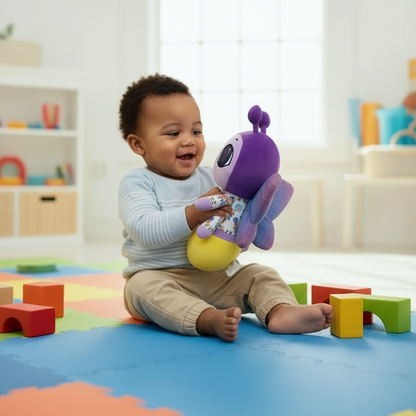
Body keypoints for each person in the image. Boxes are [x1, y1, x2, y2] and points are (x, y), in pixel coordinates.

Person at [118, 73, 332, 342]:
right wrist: (195, 213)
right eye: (173, 133)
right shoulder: (137, 182)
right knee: (139, 289)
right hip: (163, 278)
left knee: (260, 274)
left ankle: (280, 311)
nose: (188, 140)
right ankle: (204, 318)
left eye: (196, 131)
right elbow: (144, 230)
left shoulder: (214, 178)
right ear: (138, 144)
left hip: (219, 277)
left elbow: (239, 216)